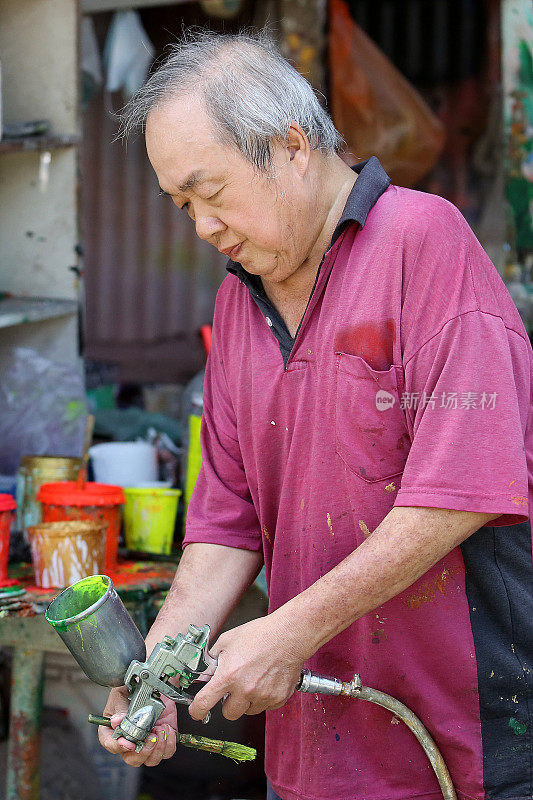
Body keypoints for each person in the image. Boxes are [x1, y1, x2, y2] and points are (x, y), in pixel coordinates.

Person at [99, 30, 533, 800]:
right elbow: (223, 521)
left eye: (211, 190)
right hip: (315, 755)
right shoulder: (239, 298)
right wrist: (154, 677)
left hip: (460, 741)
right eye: (181, 204)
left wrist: (288, 631)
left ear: (291, 146)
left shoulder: (423, 243)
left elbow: (462, 488)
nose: (200, 225)